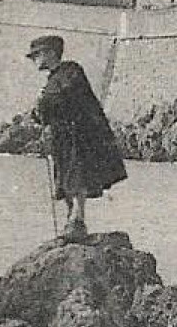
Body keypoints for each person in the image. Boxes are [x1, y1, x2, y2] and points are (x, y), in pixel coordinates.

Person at [27, 35, 127, 242]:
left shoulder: (71, 71)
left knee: (77, 177)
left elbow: (65, 96)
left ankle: (78, 220)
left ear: (50, 53)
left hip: (78, 135)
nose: (34, 60)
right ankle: (71, 220)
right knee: (65, 178)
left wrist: (44, 102)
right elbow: (48, 107)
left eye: (37, 55)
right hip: (62, 137)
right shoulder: (55, 78)